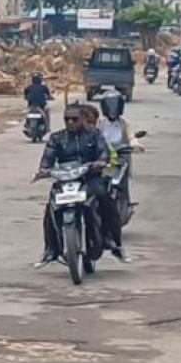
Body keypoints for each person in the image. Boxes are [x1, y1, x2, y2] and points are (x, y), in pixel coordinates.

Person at [34, 104, 127, 267]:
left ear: (83, 119)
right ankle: (51, 249)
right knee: (51, 208)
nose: (70, 122)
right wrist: (43, 170)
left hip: (90, 178)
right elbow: (48, 157)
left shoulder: (94, 135)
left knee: (106, 200)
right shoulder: (56, 138)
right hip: (65, 180)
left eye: (74, 119)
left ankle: (113, 242)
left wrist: (101, 162)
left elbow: (103, 152)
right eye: (67, 119)